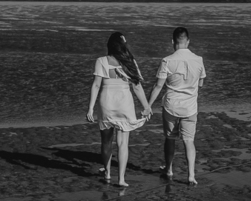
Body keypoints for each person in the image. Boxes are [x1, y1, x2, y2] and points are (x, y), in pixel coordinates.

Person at [86, 32, 152, 187]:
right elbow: (137, 87)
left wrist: (90, 108)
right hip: (124, 104)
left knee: (106, 141)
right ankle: (121, 179)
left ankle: (108, 173)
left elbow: (96, 85)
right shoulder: (129, 62)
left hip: (106, 103)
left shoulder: (101, 61)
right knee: (123, 143)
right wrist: (146, 106)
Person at [147, 26, 206, 185]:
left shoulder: (167, 60)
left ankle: (169, 169)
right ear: (188, 41)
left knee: (170, 138)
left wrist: (148, 105)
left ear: (172, 41)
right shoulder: (199, 59)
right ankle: (191, 175)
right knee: (189, 140)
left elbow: (158, 86)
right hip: (190, 107)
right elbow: (200, 83)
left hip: (171, 106)